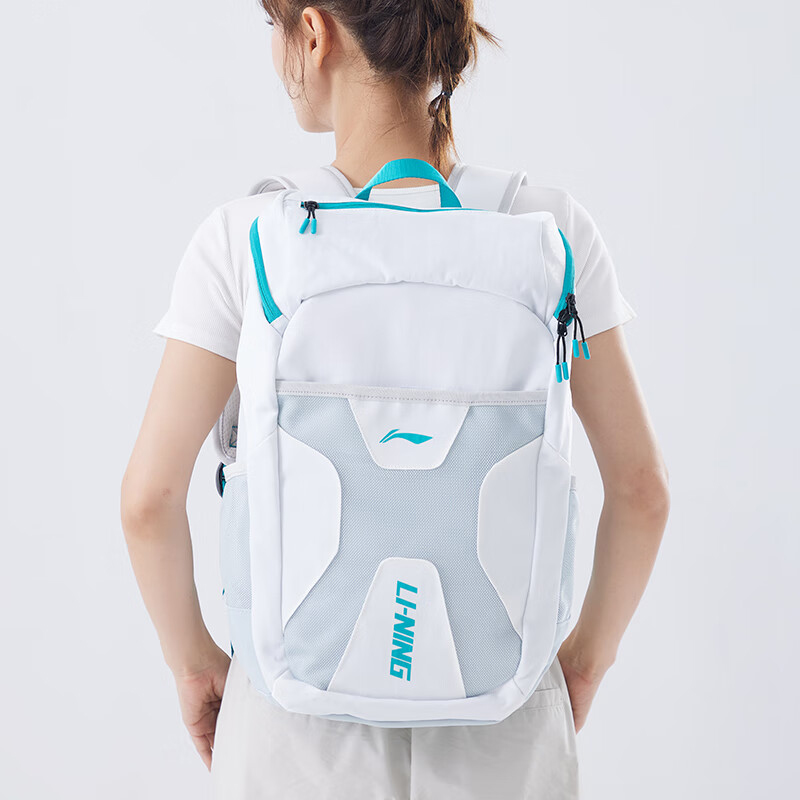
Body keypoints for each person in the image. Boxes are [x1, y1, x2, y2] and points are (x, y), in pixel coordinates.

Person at [120, 1, 671, 798]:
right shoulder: (547, 229)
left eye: (276, 29)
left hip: (291, 721)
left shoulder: (246, 237)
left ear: (314, 34)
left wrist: (195, 665)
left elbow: (148, 501)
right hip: (504, 713)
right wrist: (578, 666)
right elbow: (642, 490)